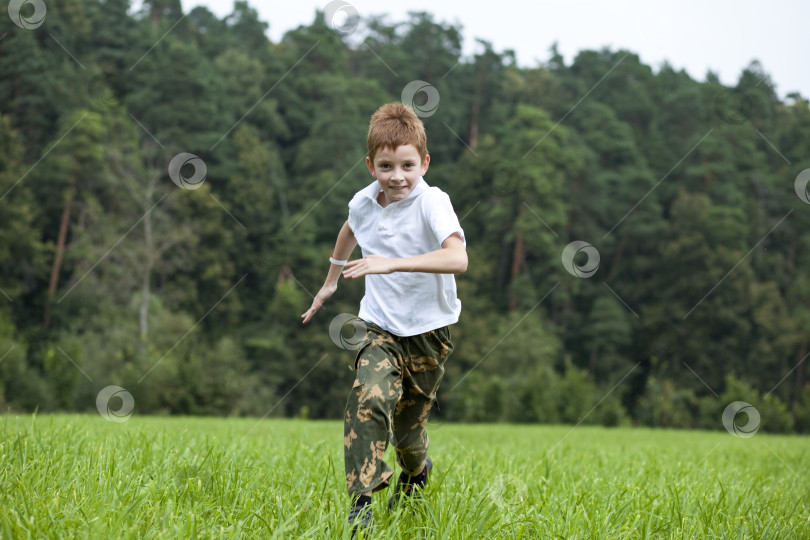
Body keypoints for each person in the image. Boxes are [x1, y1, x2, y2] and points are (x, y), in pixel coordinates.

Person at [301, 102, 467, 530]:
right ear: (371, 164)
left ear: (424, 162)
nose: (398, 176)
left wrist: (392, 262)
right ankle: (361, 508)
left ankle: (416, 471)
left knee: (409, 437)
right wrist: (331, 280)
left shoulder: (433, 202)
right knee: (368, 396)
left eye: (408, 165)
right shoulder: (362, 202)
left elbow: (458, 258)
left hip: (429, 333)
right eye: (387, 165)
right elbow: (350, 230)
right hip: (378, 326)